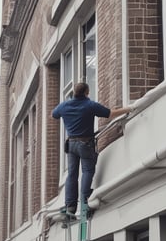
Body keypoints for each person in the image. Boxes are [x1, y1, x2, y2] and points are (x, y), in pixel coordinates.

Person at [52, 82, 133, 214]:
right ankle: (85, 202)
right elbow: (111, 113)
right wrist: (129, 109)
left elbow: (54, 114)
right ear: (86, 92)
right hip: (85, 144)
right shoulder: (89, 105)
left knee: (72, 174)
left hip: (71, 144)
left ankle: (70, 206)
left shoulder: (64, 106)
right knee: (87, 171)